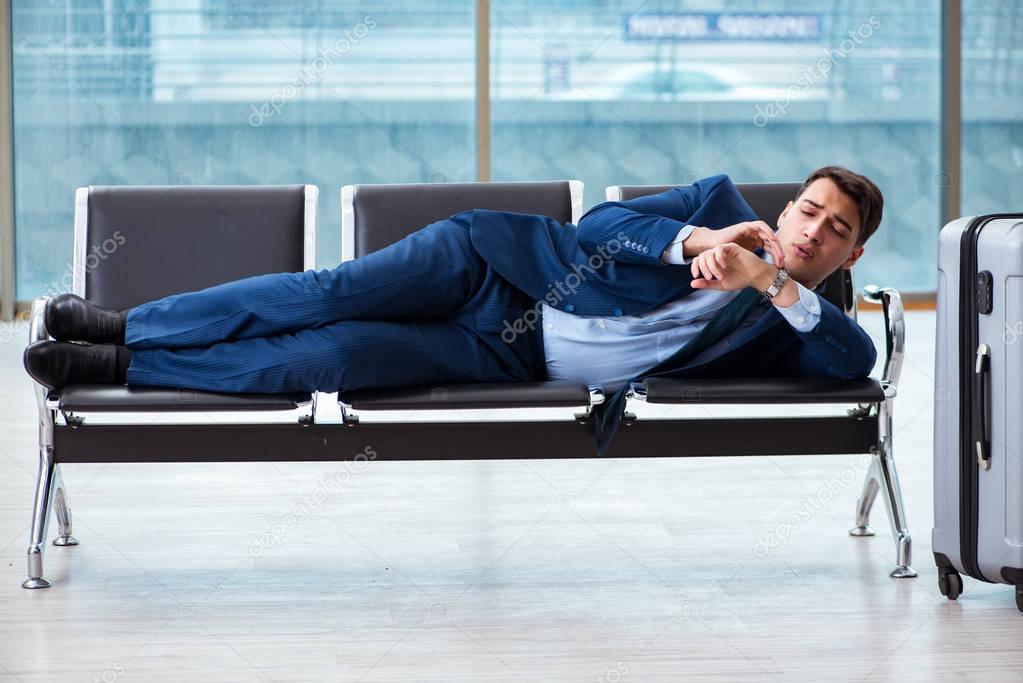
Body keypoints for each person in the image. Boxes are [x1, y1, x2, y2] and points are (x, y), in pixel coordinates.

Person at [24, 165, 882, 453]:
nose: (812, 229)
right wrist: (692, 242)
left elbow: (853, 364)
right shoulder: (719, 203)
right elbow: (601, 223)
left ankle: (126, 367)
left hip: (508, 357)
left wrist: (767, 284)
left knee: (333, 359)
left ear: (851, 253)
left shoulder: (801, 315)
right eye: (807, 209)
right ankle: (124, 322)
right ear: (787, 207)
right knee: (325, 293)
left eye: (834, 229)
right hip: (488, 269)